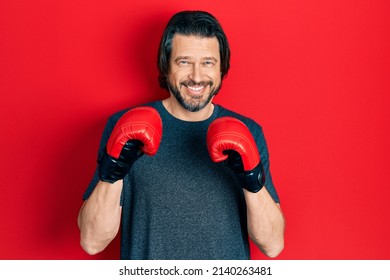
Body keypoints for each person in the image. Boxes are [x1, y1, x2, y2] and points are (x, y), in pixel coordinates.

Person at [78, 10, 285, 260]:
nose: (197, 77)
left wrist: (252, 181)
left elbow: (273, 245)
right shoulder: (124, 126)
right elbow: (91, 241)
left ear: (222, 68)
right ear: (166, 66)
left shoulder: (248, 131)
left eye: (208, 62)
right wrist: (112, 173)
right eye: (184, 62)